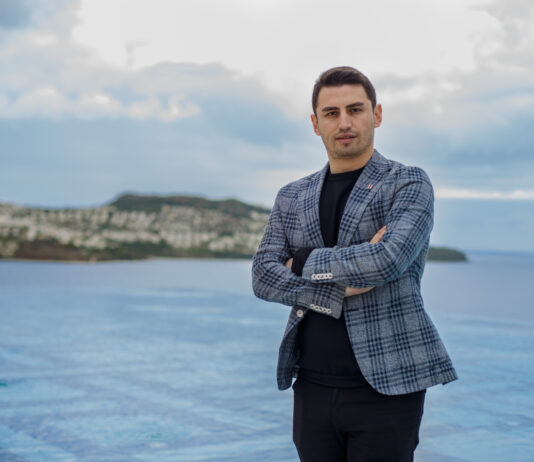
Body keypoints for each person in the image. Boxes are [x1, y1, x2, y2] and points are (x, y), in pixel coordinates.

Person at [251, 66, 458, 462]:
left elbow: (387, 261)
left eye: (355, 109)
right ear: (316, 124)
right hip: (311, 385)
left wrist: (302, 261)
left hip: (388, 385)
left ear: (376, 115)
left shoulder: (408, 183)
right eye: (331, 113)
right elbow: (263, 276)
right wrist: (336, 288)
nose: (344, 122)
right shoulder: (291, 196)